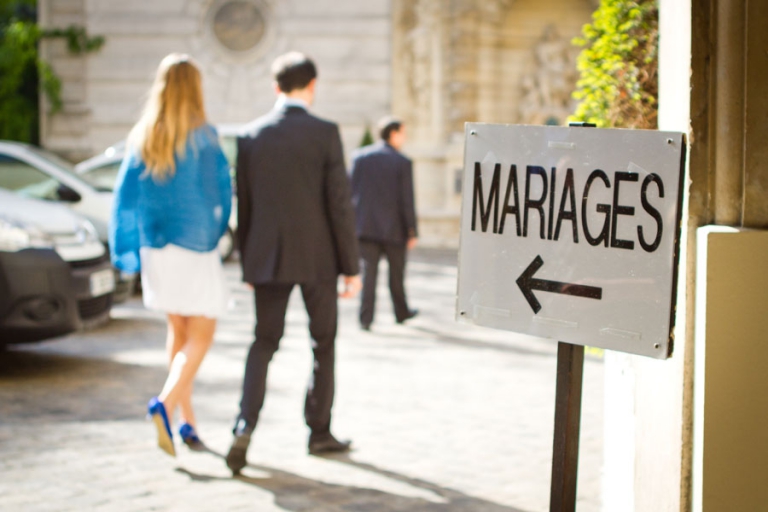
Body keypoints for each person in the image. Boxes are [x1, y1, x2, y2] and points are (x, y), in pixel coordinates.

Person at [226, 51, 361, 474]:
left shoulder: (250, 136)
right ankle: (319, 432)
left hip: (266, 259)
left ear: (276, 87)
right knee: (323, 343)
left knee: (263, 343)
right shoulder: (325, 133)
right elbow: (339, 203)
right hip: (319, 259)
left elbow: (243, 206)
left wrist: (249, 263)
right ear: (312, 86)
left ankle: (244, 426)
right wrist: (351, 266)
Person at [109, 53, 232, 457]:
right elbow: (220, 193)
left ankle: (187, 423)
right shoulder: (204, 135)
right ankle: (164, 403)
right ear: (195, 89)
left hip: (158, 249)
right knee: (201, 335)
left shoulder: (144, 134)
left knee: (178, 334)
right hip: (193, 247)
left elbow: (125, 198)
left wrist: (130, 244)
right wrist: (215, 231)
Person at [350, 117, 418, 331]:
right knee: (396, 275)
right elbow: (407, 199)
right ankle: (401, 313)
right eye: (403, 133)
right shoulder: (402, 162)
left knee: (368, 276)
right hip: (394, 229)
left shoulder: (359, 157)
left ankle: (365, 319)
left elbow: (350, 192)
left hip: (365, 227)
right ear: (393, 134)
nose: (405, 138)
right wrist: (412, 230)